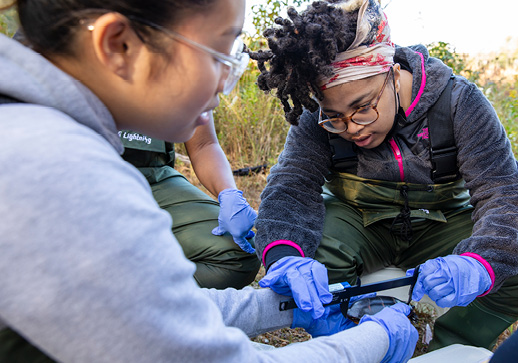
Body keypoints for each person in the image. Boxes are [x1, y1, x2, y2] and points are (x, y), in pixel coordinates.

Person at [0, 0, 419, 361]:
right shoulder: (56, 170)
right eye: (218, 53)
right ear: (119, 46)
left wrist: (284, 307)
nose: (225, 80)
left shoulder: (29, 128)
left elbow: (152, 310)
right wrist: (374, 339)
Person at [250, 0, 518, 351]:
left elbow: (505, 193)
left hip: (440, 227)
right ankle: (345, 338)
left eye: (363, 107)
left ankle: (443, 344)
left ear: (391, 72)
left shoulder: (460, 102)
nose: (352, 128)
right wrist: (284, 255)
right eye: (335, 117)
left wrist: (480, 261)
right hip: (360, 227)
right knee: (304, 246)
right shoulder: (316, 116)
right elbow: (292, 186)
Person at [118, 119, 261, 289]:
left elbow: (203, 143)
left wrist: (229, 194)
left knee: (238, 253)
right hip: (88, 173)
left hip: (152, 176)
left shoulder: (190, 94)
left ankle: (138, 293)